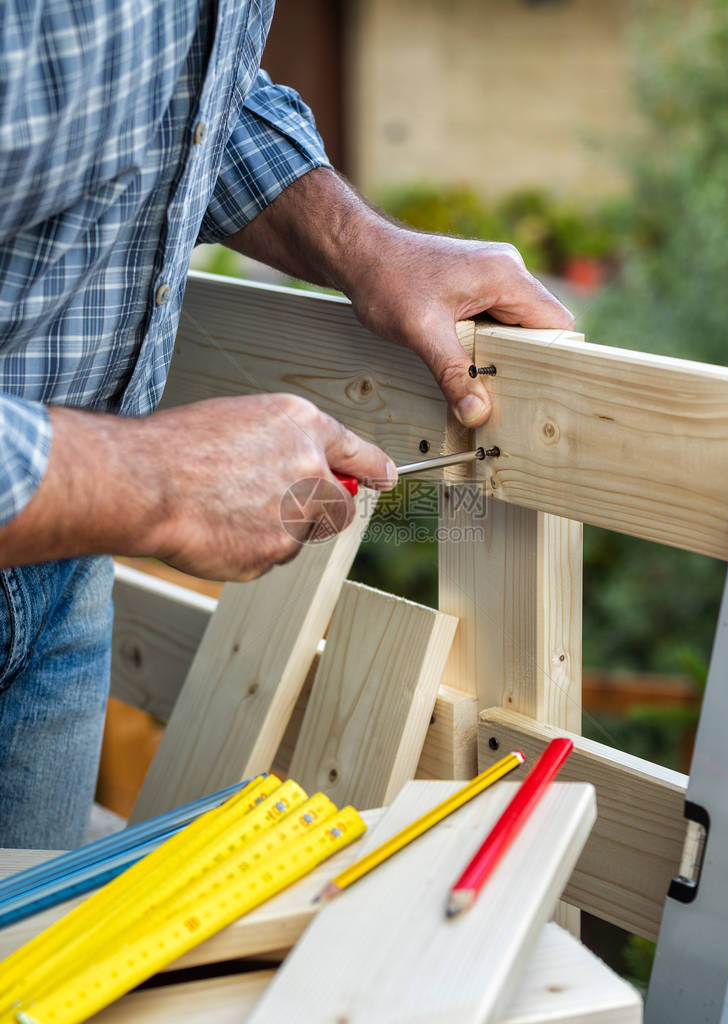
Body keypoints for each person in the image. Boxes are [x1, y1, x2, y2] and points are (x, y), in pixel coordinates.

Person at [0, 0, 572, 848]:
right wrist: (157, 483)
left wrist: (364, 245)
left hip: (66, 562)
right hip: (72, 499)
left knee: (32, 975)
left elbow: (191, 105)